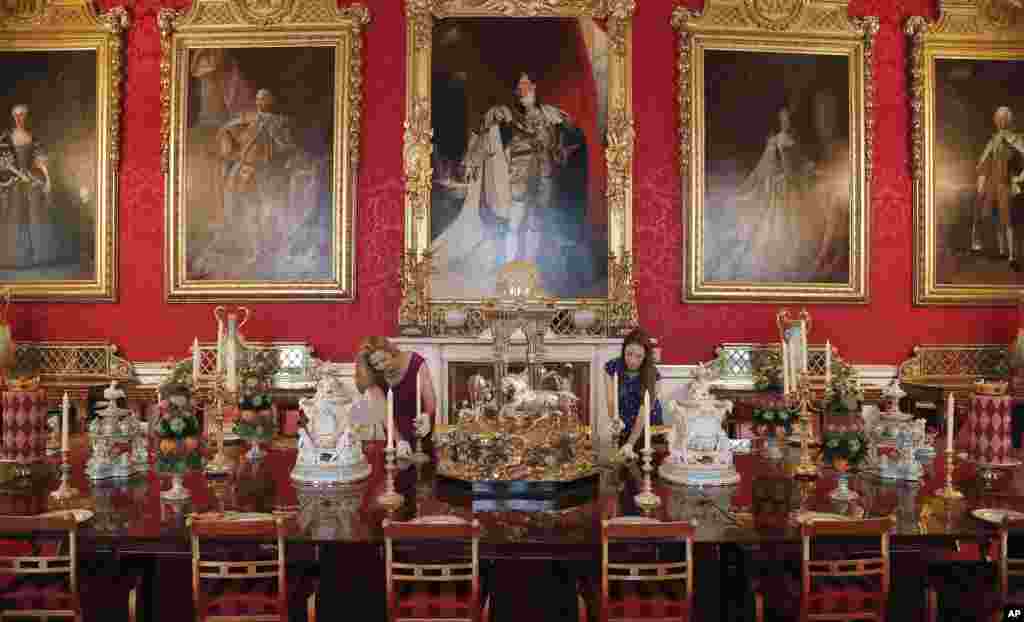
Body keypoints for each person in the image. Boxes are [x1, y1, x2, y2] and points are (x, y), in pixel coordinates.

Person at [430, 72, 589, 297]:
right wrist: (471, 160)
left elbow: (568, 140)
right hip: (519, 176)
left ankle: (530, 274)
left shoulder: (551, 115)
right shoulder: (508, 115)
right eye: (519, 87)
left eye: (527, 85)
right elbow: (483, 132)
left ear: (534, 87)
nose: (523, 90)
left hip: (545, 176)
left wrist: (563, 149)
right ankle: (509, 271)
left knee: (536, 224)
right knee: (515, 223)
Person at [192, 88, 320, 276]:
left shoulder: (279, 122)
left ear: (271, 101)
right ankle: (242, 245)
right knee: (238, 208)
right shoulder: (248, 118)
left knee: (265, 211)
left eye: (265, 98)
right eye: (259, 98)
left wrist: (295, 156)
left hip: (266, 174)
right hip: (244, 171)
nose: (261, 101)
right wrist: (228, 146)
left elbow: (286, 145)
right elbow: (226, 130)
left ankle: (264, 250)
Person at [723, 106, 823, 282]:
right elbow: (767, 166)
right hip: (781, 187)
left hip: (793, 186)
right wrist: (777, 177)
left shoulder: (794, 140)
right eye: (784, 119)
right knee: (779, 224)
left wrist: (811, 169)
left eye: (789, 119)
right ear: (780, 121)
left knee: (797, 223)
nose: (787, 122)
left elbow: (800, 162)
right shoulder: (775, 141)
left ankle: (795, 259)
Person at [355, 336, 436, 458]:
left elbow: (430, 399)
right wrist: (399, 441)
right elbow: (383, 413)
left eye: (383, 360)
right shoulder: (373, 376)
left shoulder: (415, 361)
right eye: (376, 364)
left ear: (391, 352)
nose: (382, 366)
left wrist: (428, 416)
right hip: (394, 433)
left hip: (421, 427)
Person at [0, 104, 60, 268]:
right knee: (16, 215)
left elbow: (40, 161)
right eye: (17, 115)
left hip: (30, 180)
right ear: (13, 117)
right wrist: (16, 174)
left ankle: (37, 257)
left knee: (34, 215)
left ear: (26, 117)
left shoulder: (32, 137)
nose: (20, 118)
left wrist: (47, 180)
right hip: (14, 183)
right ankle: (16, 258)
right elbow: (3, 163)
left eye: (22, 115)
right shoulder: (6, 138)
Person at [975, 105, 1024, 268]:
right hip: (992, 183)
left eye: (1004, 118)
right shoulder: (993, 139)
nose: (1001, 121)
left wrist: (1018, 179)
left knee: (1007, 218)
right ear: (995, 121)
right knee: (994, 217)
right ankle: (1002, 251)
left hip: (1005, 183)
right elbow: (982, 162)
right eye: (998, 119)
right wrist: (981, 181)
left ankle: (1011, 255)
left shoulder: (1016, 138)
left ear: (1008, 120)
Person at [604, 328, 663, 459]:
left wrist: (630, 443)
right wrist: (615, 420)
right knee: (623, 471)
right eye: (629, 354)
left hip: (648, 428)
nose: (632, 360)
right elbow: (610, 400)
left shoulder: (652, 374)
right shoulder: (612, 367)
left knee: (647, 468)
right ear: (623, 351)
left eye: (638, 356)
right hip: (624, 426)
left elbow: (644, 411)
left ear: (645, 356)